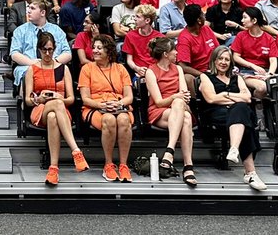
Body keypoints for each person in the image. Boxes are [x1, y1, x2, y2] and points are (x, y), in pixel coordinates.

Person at [199, 45, 266, 191]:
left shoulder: (237, 78)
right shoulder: (206, 76)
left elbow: (248, 98)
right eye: (220, 59)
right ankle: (250, 173)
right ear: (214, 60)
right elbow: (211, 99)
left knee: (241, 110)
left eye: (227, 59)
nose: (223, 62)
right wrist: (236, 98)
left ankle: (234, 149)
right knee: (244, 119)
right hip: (217, 114)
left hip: (236, 114)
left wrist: (224, 95)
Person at [25, 30, 88, 186]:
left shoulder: (63, 68)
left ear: (54, 49)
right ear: (39, 50)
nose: (47, 53)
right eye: (44, 50)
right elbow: (27, 99)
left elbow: (71, 99)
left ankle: (53, 169)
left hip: (60, 112)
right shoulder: (31, 69)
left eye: (50, 49)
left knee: (54, 115)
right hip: (39, 109)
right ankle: (76, 151)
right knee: (55, 106)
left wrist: (60, 98)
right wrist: (38, 99)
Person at [77, 34, 133, 183]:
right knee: (108, 119)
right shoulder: (87, 69)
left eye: (99, 48)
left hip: (118, 106)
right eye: (94, 47)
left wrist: (119, 104)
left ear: (108, 51)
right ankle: (108, 164)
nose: (94, 51)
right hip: (95, 107)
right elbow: (85, 98)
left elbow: (129, 96)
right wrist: (101, 105)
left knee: (124, 119)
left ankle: (123, 165)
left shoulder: (120, 68)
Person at [145, 36, 197, 187]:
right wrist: (176, 96)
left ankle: (170, 151)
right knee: (185, 117)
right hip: (160, 111)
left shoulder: (178, 69)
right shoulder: (151, 72)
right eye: (174, 49)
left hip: (178, 109)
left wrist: (180, 97)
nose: (176, 52)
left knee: (181, 108)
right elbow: (159, 101)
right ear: (165, 54)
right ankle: (188, 167)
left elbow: (184, 95)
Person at [10, 0, 71, 90]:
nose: (28, 11)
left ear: (42, 13)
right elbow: (14, 54)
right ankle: (27, 101)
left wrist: (51, 63)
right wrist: (34, 63)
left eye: (32, 8)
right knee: (24, 72)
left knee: (62, 71)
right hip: (29, 65)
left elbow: (67, 53)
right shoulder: (20, 30)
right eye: (28, 8)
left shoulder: (57, 30)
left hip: (53, 65)